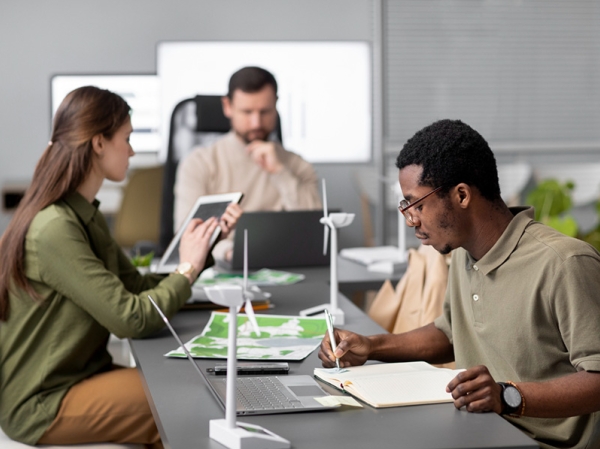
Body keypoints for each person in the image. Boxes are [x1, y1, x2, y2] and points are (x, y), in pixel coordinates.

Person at [319, 119, 600, 449]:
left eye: (416, 205)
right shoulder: (463, 255)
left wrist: (507, 396)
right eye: (405, 206)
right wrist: (372, 346)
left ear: (462, 195)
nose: (410, 219)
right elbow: (450, 332)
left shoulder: (564, 263)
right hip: (476, 432)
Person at [0, 86, 241, 448]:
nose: (130, 151)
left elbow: (135, 287)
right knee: (191, 402)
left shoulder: (84, 215)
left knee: (188, 389)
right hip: (43, 403)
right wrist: (187, 268)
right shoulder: (55, 228)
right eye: (126, 139)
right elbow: (131, 319)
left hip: (78, 378)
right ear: (99, 143)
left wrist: (202, 252)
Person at [174, 66, 322, 261]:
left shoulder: (297, 166)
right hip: (221, 266)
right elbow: (187, 236)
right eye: (247, 112)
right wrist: (230, 251)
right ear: (227, 106)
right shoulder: (199, 163)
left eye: (264, 111)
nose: (256, 123)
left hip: (284, 265)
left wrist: (279, 172)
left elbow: (315, 231)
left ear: (276, 105)